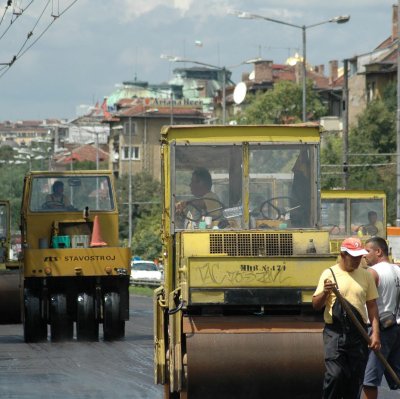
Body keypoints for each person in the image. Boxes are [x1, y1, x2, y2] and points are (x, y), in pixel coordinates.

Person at [312, 237, 381, 399]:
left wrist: (375, 334)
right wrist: (325, 293)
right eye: (353, 257)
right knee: (335, 375)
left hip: (359, 334)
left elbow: (372, 306)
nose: (357, 260)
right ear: (343, 255)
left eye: (359, 257)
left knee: (354, 379)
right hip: (335, 333)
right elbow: (316, 304)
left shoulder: (366, 276)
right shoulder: (329, 274)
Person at [362, 237, 400, 399]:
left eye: (368, 251)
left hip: (380, 330)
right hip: (397, 327)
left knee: (369, 380)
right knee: (397, 376)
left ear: (378, 251)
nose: (364, 255)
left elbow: (368, 302)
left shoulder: (373, 272)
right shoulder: (398, 270)